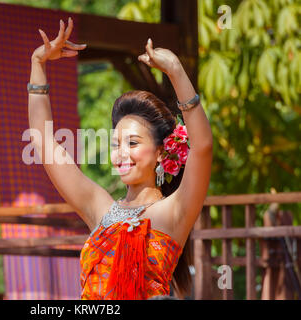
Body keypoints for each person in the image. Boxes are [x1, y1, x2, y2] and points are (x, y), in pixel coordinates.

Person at [28, 17, 213, 299]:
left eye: (133, 143)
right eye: (116, 144)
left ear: (161, 151)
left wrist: (175, 71)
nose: (121, 153)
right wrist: (38, 66)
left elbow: (202, 146)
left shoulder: (174, 212)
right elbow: (43, 141)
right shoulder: (98, 208)